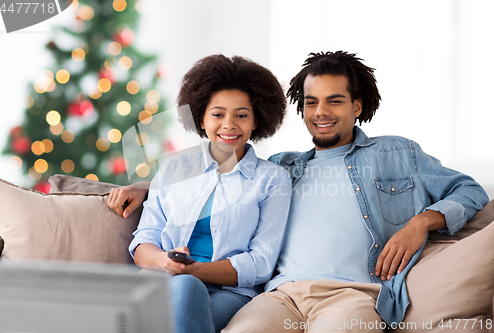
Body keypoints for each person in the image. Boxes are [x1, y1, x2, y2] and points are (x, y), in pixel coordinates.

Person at [110, 51, 489, 332]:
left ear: (357, 105)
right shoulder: (283, 165)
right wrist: (148, 188)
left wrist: (421, 222)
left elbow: (469, 190)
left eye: (335, 100)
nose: (320, 112)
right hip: (280, 295)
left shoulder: (397, 153)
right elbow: (223, 171)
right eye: (311, 102)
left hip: (352, 294)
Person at [108, 54, 292, 333]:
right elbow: (145, 239)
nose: (229, 125)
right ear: (201, 119)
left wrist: (194, 271)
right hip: (162, 283)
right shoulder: (173, 170)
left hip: (230, 294)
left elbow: (260, 262)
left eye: (241, 115)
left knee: (185, 292)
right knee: (183, 290)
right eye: (217, 114)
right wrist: (165, 262)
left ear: (256, 121)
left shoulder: (272, 179)